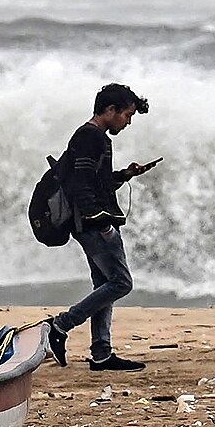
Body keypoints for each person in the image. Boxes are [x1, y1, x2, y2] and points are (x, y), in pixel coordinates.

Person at [48, 83, 156, 372]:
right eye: (127, 115)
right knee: (121, 283)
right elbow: (80, 185)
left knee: (104, 285)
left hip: (91, 222)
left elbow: (97, 182)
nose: (128, 122)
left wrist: (126, 174)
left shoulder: (96, 137)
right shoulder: (90, 137)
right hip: (94, 224)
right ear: (111, 110)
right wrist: (101, 221)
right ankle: (60, 326)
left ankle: (101, 353)